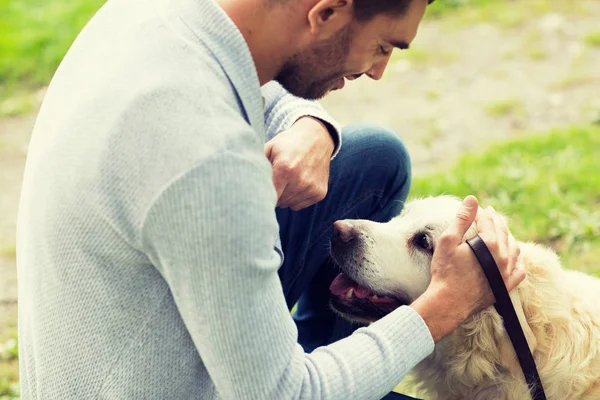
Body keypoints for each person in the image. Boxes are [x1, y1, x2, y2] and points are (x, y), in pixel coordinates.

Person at [16, 0, 525, 398]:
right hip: (174, 387)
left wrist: (312, 123)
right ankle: (323, 367)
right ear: (325, 13)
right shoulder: (207, 160)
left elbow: (250, 85)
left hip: (129, 345)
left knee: (373, 158)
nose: (378, 71)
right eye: (384, 47)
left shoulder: (162, 18)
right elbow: (283, 394)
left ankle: (317, 353)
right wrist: (443, 306)